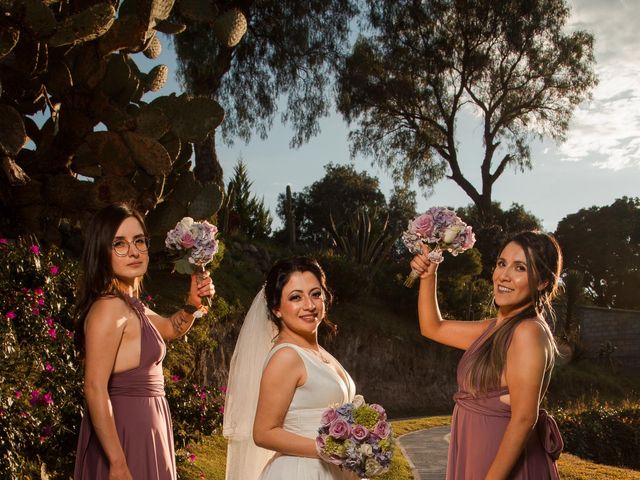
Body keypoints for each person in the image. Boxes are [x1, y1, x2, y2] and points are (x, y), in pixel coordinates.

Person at [73, 203, 214, 480]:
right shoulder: (108, 308)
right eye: (120, 244)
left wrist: (192, 305)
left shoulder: (131, 304)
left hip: (148, 430)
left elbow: (169, 329)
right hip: (126, 438)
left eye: (139, 240)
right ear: (102, 251)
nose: (134, 251)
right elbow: (94, 387)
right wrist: (117, 462)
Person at [410, 231, 564, 480]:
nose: (503, 275)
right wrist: (429, 276)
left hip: (500, 468)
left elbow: (524, 419)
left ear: (542, 282)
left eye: (520, 268)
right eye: (502, 263)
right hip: (476, 456)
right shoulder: (495, 329)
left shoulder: (528, 332)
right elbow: (432, 328)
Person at [223, 257, 358, 480]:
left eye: (315, 294)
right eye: (296, 297)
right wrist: (330, 450)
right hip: (301, 471)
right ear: (276, 309)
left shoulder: (319, 353)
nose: (310, 305)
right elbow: (264, 433)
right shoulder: (287, 356)